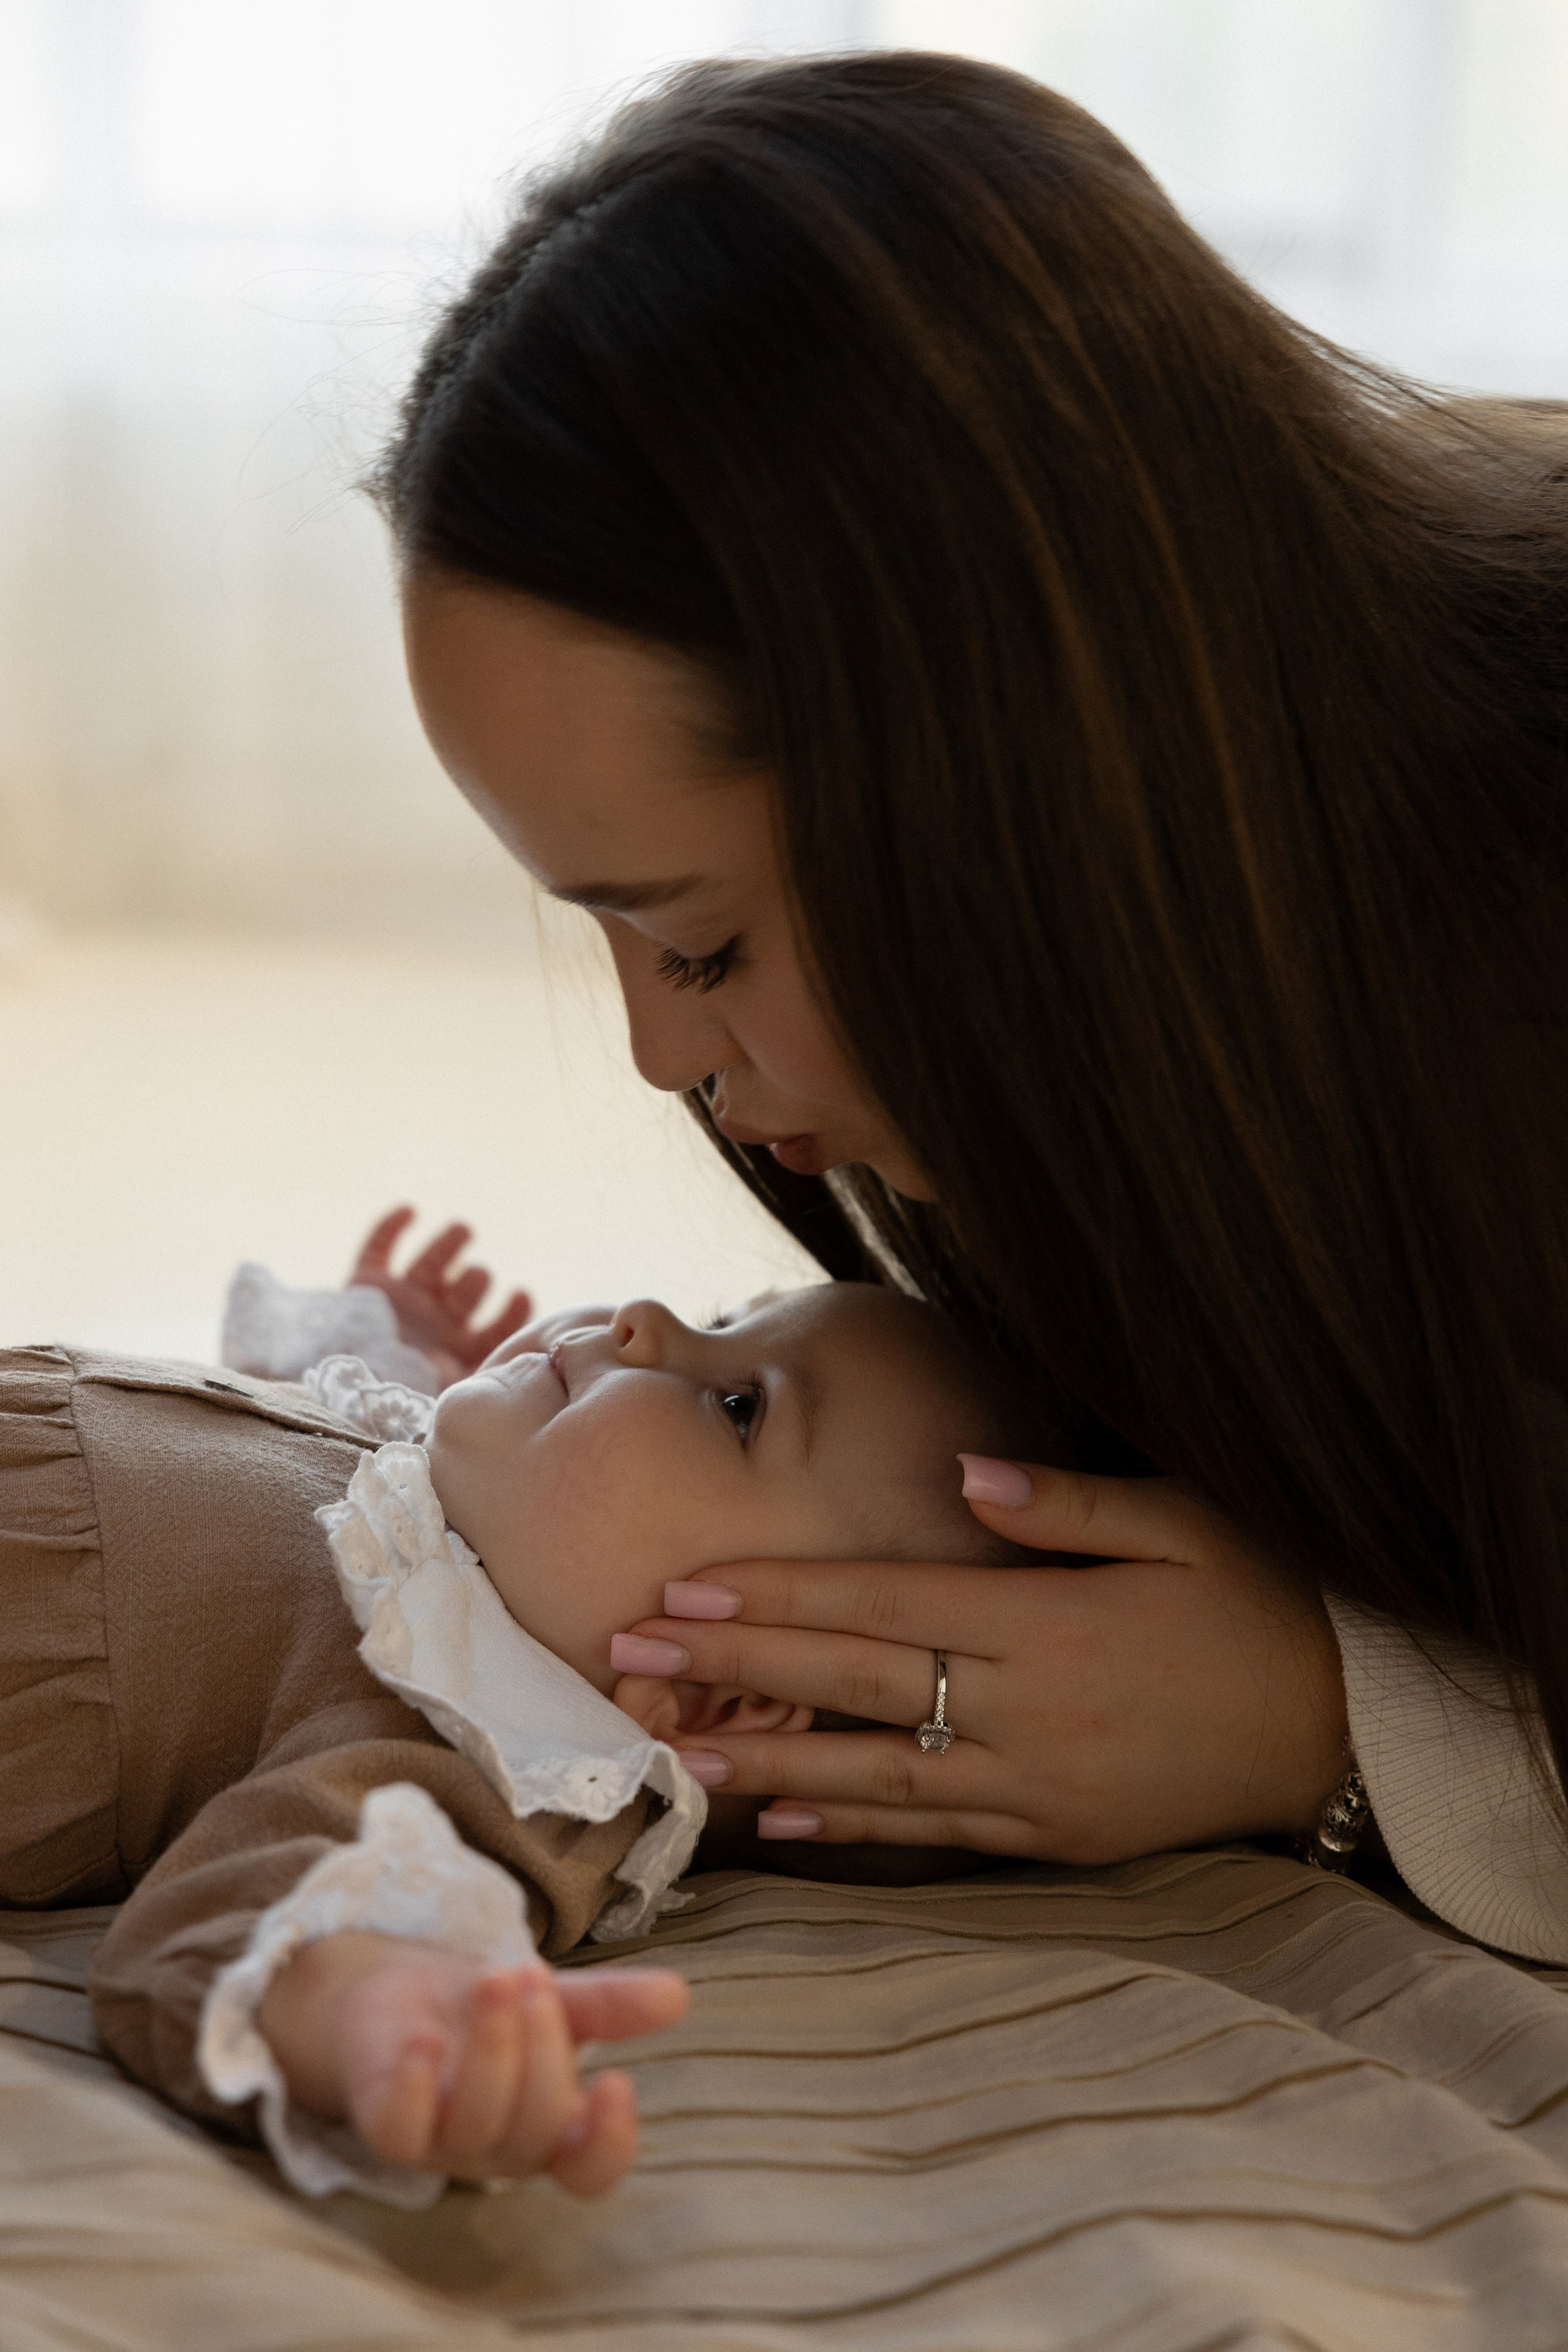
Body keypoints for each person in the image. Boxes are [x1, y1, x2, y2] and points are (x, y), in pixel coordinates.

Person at [373, 52, 1568, 1959]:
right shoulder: (1131, 1072)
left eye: (702, 948)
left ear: (1010, 806)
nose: (659, 1057)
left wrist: (1331, 1721)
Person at [0, 1276, 1038, 2204]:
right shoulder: (473, 1522)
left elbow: (267, 1912)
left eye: (738, 1405)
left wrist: (371, 2007)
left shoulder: (505, 1743)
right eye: (723, 1314)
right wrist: (404, 1347)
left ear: (725, 1691)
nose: (649, 1319)